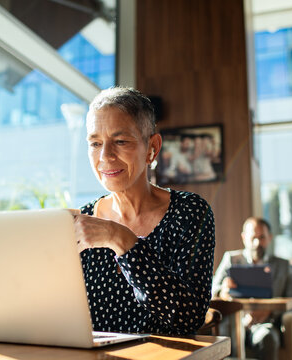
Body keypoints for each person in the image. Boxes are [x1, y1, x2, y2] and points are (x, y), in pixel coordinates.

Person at [72, 86, 215, 335]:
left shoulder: (190, 212)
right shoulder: (81, 222)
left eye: (120, 141)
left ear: (152, 148)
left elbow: (189, 317)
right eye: (95, 143)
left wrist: (122, 239)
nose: (104, 156)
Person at [212, 217, 292, 360]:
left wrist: (270, 310)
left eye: (262, 237)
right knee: (227, 342)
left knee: (268, 338)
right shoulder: (231, 259)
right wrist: (223, 290)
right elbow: (211, 292)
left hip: (264, 324)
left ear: (270, 238)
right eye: (253, 237)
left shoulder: (282, 266)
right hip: (235, 324)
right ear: (244, 237)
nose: (257, 242)